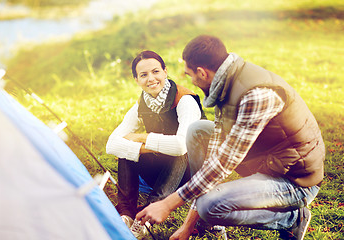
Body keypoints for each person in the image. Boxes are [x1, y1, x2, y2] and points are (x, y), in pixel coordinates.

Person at [136, 35, 325, 240]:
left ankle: (292, 219)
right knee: (197, 130)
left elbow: (224, 163)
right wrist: (187, 226)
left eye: (190, 75)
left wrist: (167, 203)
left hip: (295, 180)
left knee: (210, 206)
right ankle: (206, 221)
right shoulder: (224, 83)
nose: (191, 81)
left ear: (202, 72)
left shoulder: (255, 95)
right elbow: (214, 154)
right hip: (268, 161)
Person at [106, 50, 205, 239]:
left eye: (156, 71)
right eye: (143, 75)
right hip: (160, 172)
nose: (151, 78)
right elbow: (111, 145)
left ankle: (147, 217)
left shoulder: (185, 100)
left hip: (190, 174)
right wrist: (141, 148)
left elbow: (180, 146)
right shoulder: (142, 104)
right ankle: (126, 214)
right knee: (127, 150)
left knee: (180, 150)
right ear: (136, 80)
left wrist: (142, 137)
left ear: (165, 72)